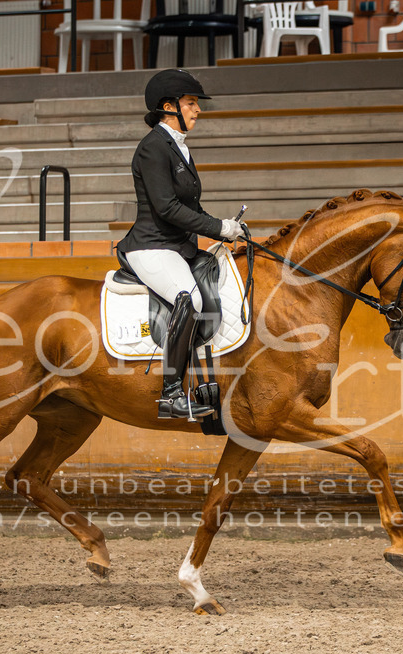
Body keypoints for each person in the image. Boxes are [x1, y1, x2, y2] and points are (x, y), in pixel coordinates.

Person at [115, 69, 245, 420]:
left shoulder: (179, 148)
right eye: (191, 103)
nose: (197, 110)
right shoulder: (153, 148)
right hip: (151, 247)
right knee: (190, 298)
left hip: (177, 246)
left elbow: (190, 206)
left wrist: (226, 231)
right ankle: (171, 395)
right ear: (168, 106)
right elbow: (167, 208)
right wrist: (218, 226)